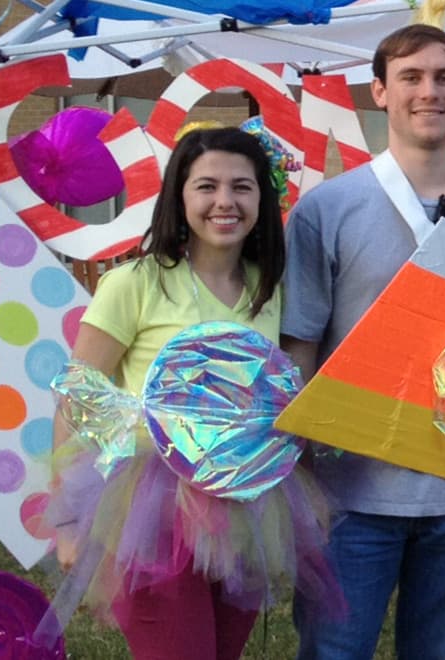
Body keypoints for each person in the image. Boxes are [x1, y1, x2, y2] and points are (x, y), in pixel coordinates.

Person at [283, 24, 445, 660]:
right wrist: (300, 477)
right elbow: (300, 347)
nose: (430, 91)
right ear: (379, 92)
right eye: (411, 77)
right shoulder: (327, 209)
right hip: (352, 494)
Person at [50, 126, 335, 659]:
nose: (224, 202)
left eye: (242, 187)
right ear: (179, 197)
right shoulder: (135, 283)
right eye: (206, 186)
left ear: (262, 199)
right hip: (154, 507)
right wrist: (66, 521)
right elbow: (77, 397)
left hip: (248, 504)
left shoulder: (271, 291)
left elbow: (289, 402)